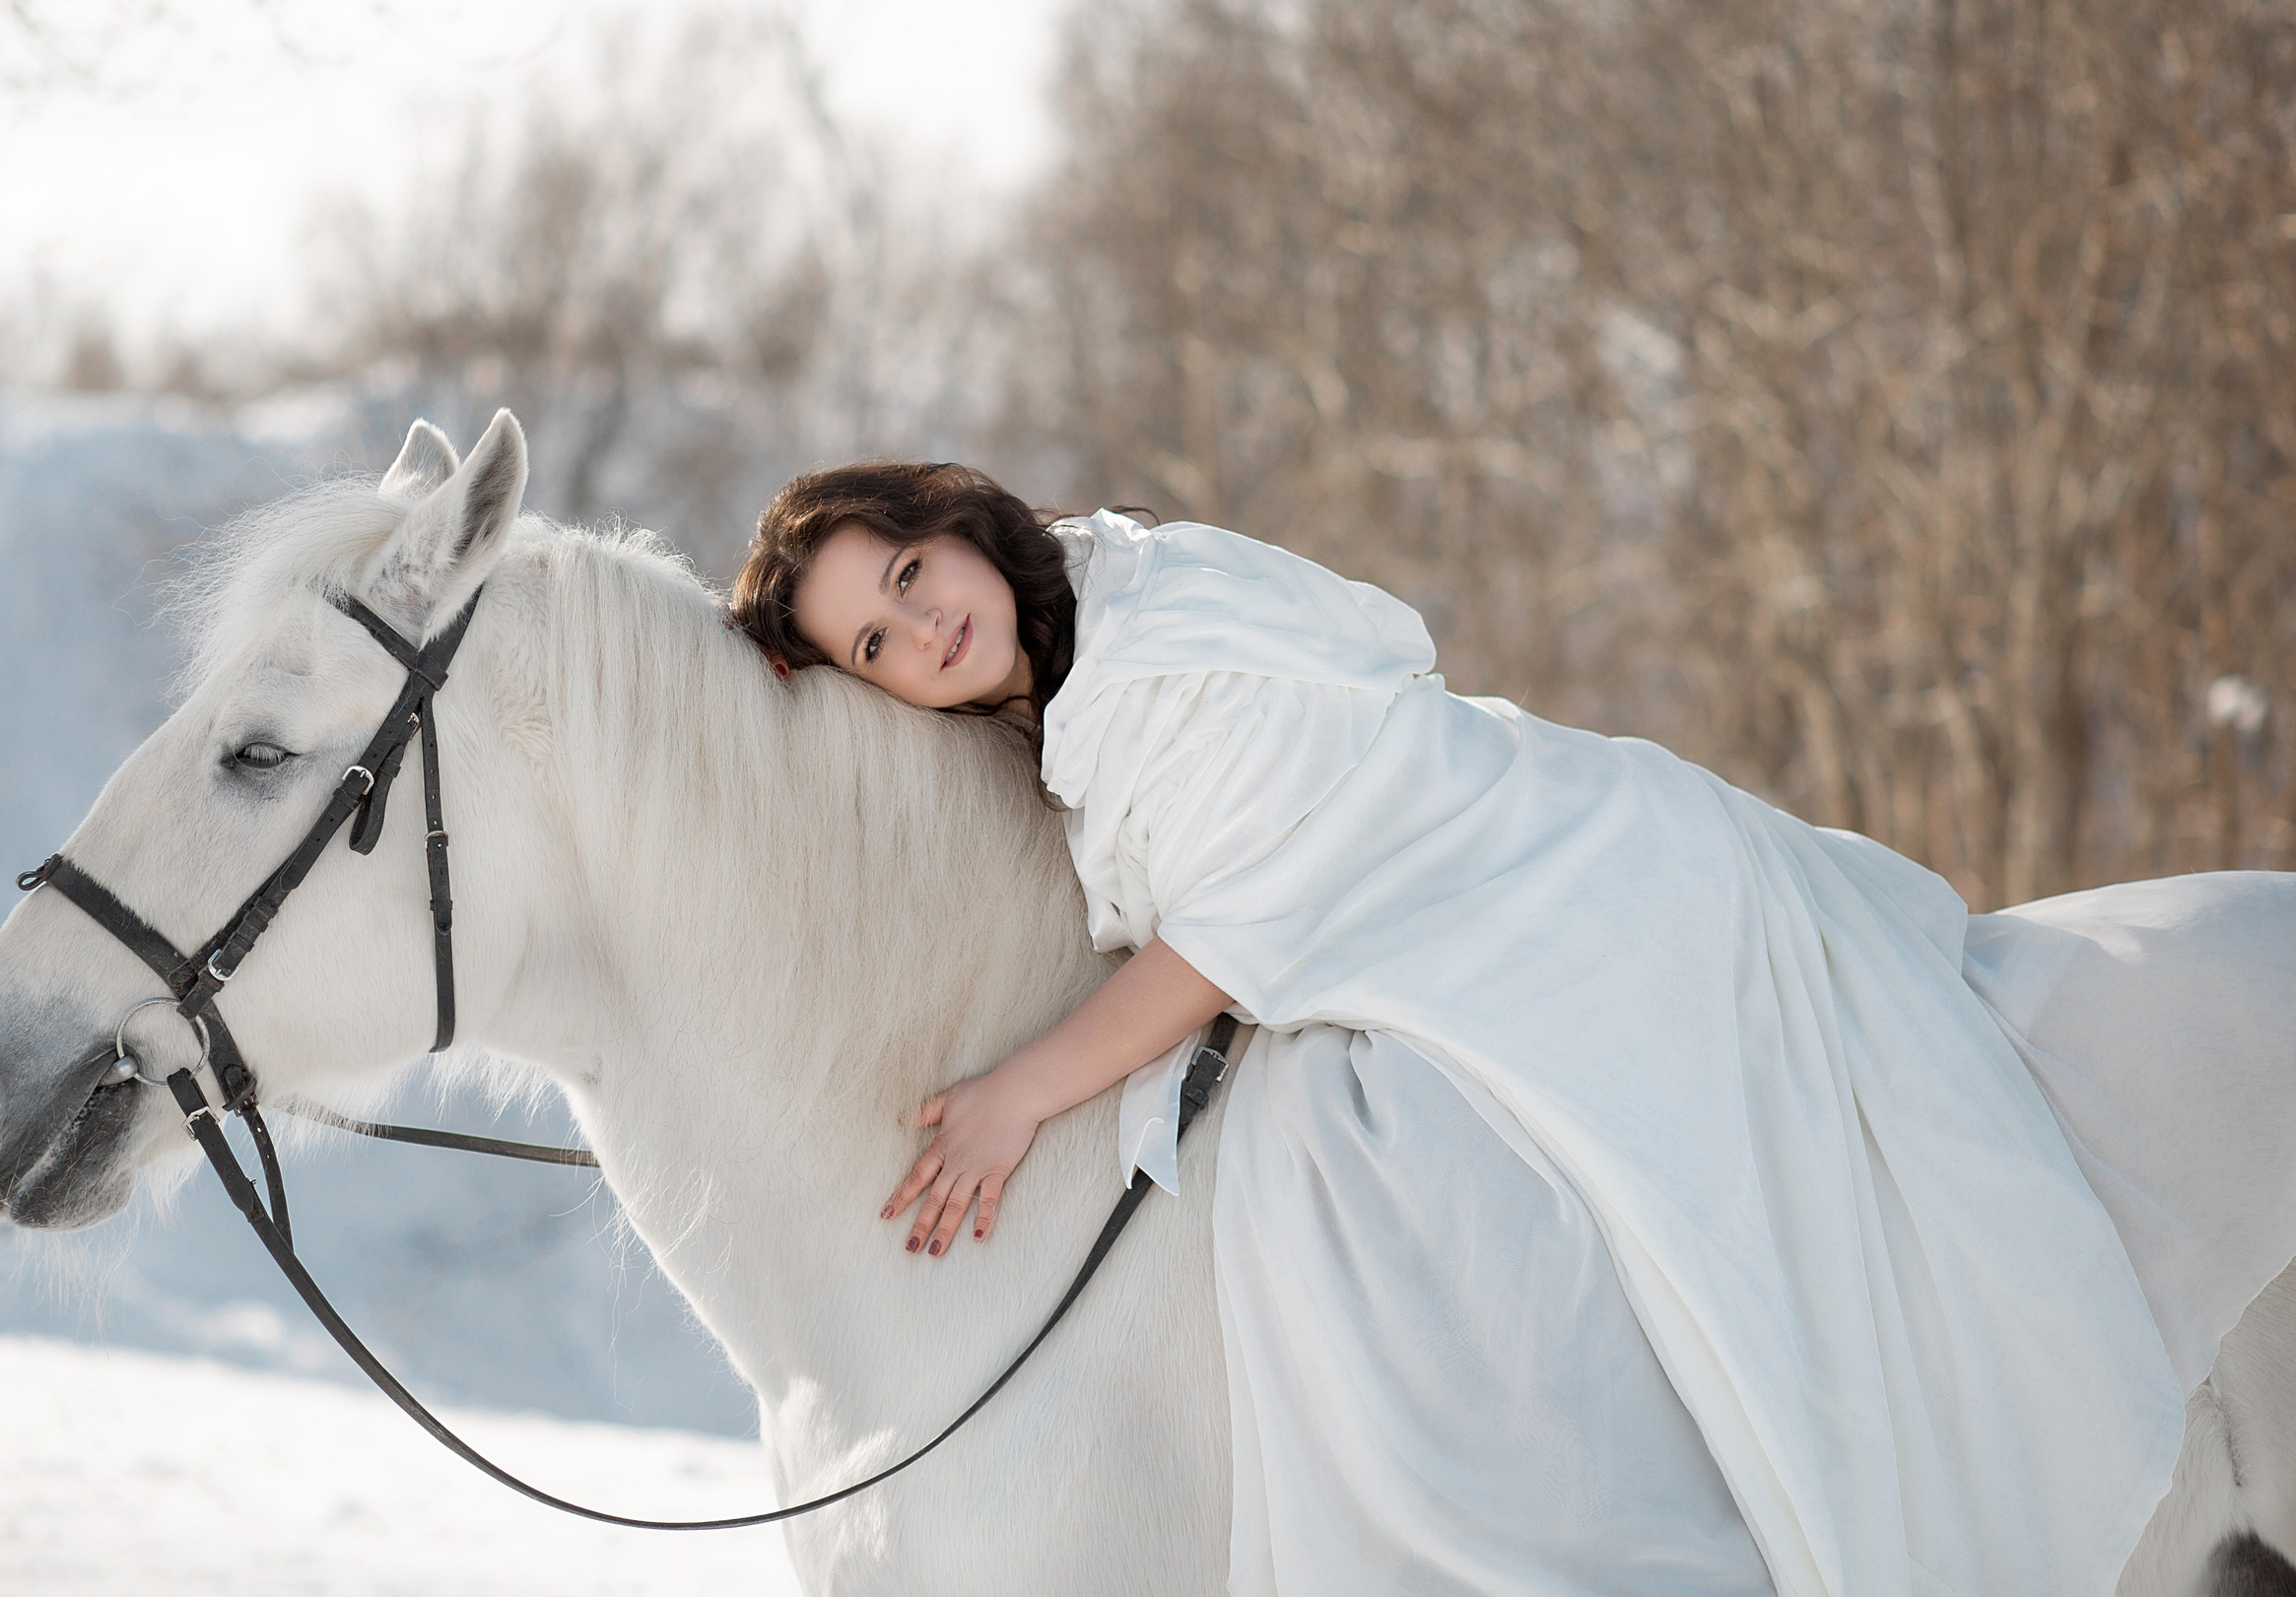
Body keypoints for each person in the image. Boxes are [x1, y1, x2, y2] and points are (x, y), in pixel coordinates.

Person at [727, 459, 2296, 1597]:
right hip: (1458, 878)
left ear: (951, 528)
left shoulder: (1148, 648)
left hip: (1526, 886)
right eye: (875, 643)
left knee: (1467, 1182)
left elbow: (1228, 931)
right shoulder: (1085, 657)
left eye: (911, 578)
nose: (918, 630)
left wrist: (1020, 1095)